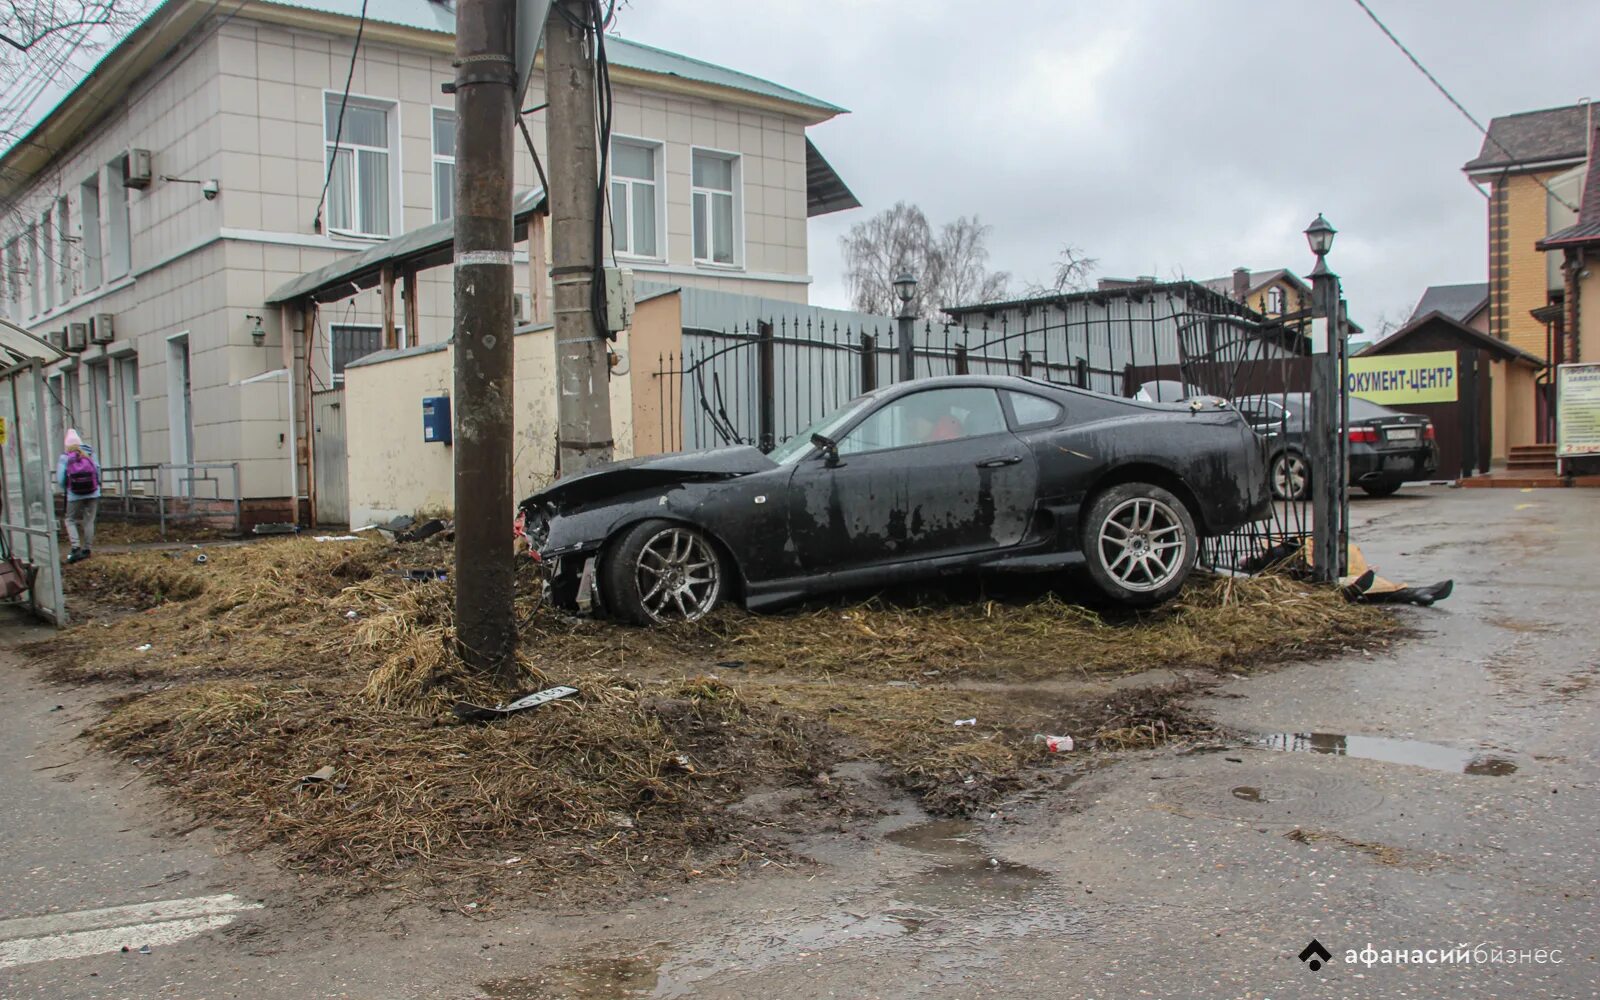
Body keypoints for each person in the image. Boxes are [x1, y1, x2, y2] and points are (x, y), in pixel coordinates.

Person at [57, 429, 100, 564]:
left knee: (69, 519)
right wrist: (96, 487)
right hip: (93, 492)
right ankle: (87, 550)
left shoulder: (65, 457)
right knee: (89, 521)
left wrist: (67, 488)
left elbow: (60, 479)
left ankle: (75, 547)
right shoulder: (90, 453)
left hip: (74, 494)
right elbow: (98, 471)